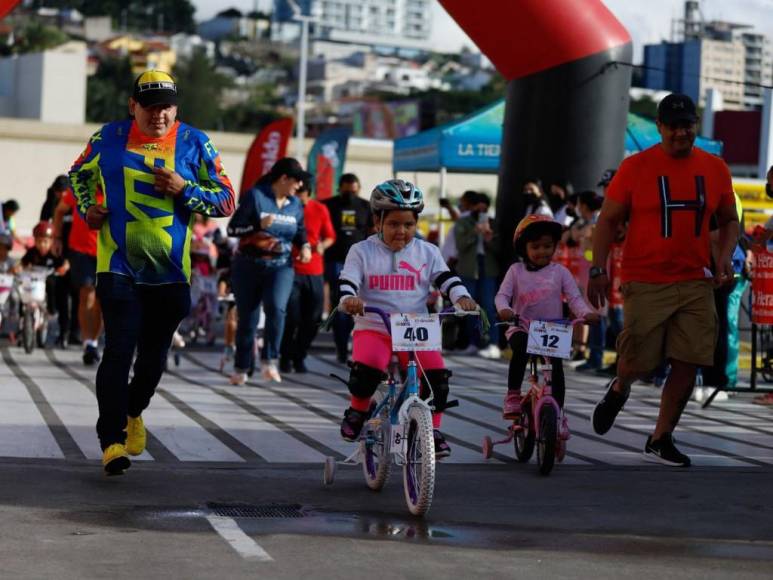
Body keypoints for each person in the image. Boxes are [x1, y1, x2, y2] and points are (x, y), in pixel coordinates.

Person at [69, 69, 236, 475]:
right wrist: (88, 207)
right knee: (118, 349)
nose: (159, 115)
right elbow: (77, 174)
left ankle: (133, 410)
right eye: (151, 107)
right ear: (133, 107)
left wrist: (185, 189)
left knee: (152, 360)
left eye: (167, 107)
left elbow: (227, 200)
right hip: (118, 266)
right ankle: (111, 441)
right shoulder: (108, 137)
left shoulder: (195, 142)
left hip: (170, 274)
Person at [587, 93, 739, 467]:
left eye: (687, 125)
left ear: (695, 125)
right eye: (673, 126)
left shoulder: (715, 168)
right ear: (659, 127)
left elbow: (729, 220)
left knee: (689, 360)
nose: (680, 132)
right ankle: (620, 386)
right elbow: (606, 222)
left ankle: (661, 436)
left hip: (695, 281)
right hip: (645, 279)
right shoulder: (636, 167)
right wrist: (598, 268)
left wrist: (722, 258)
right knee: (639, 362)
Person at [337, 179, 478, 458]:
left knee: (436, 377)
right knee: (368, 368)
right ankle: (357, 410)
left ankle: (432, 431)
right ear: (378, 220)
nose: (401, 231)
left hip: (415, 329)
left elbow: (447, 279)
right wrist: (348, 300)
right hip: (374, 327)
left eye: (409, 225)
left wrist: (461, 297)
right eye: (393, 224)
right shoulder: (361, 251)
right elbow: (348, 281)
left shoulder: (427, 251)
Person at [496, 215, 598, 417]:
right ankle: (513, 395)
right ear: (523, 248)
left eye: (547, 246)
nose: (542, 251)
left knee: (556, 367)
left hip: (552, 329)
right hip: (522, 326)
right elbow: (502, 295)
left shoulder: (560, 272)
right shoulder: (516, 271)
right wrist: (505, 310)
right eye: (535, 247)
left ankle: (557, 414)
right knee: (521, 348)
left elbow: (575, 298)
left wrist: (586, 313)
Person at [226, 157, 311, 385]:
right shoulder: (256, 196)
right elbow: (233, 229)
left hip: (281, 266)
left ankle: (270, 360)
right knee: (248, 318)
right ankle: (242, 366)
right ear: (283, 178)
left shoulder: (295, 205)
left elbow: (300, 230)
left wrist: (304, 246)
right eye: (297, 181)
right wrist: (257, 226)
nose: (300, 186)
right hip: (248, 266)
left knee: (276, 307)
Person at [279, 179, 336, 373]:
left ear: (308, 194)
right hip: (290, 269)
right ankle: (284, 357)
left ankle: (299, 354)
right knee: (291, 317)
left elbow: (330, 236)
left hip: (314, 270)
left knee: (313, 318)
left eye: (300, 194)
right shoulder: (285, 207)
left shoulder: (319, 209)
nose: (296, 197)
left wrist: (323, 245)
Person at [323, 173, 373, 363]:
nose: (350, 194)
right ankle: (341, 349)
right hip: (335, 260)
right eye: (346, 191)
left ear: (359, 189)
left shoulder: (366, 206)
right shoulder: (328, 205)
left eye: (353, 191)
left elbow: (372, 231)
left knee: (365, 306)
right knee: (342, 305)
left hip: (361, 262)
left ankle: (360, 348)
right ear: (339, 188)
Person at [53, 179, 103, 364]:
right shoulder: (80, 186)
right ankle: (87, 343)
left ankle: (95, 341)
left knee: (102, 300)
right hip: (81, 250)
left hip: (109, 251)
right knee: (86, 294)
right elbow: (59, 211)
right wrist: (56, 238)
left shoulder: (117, 186)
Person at [454, 192, 500, 358]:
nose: (481, 210)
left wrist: (489, 239)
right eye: (477, 206)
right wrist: (474, 232)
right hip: (469, 269)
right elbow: (460, 245)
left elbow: (500, 249)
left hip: (487, 268)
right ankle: (473, 342)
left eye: (484, 207)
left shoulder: (493, 223)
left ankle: (493, 343)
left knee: (488, 305)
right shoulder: (463, 222)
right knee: (470, 307)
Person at [45, 176, 81, 348]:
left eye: (63, 192)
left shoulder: (77, 202)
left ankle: (75, 332)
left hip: (77, 254)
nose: (60, 195)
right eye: (57, 192)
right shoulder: (51, 204)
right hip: (59, 254)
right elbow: (44, 225)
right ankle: (63, 331)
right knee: (60, 293)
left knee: (77, 296)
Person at [21, 222, 70, 320]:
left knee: (51, 283)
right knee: (22, 286)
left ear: (51, 241)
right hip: (34, 281)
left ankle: (51, 308)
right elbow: (23, 263)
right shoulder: (32, 252)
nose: (42, 245)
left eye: (45, 241)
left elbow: (65, 263)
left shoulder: (55, 253)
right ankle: (21, 313)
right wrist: (19, 268)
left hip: (49, 280)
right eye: (39, 241)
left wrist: (64, 268)